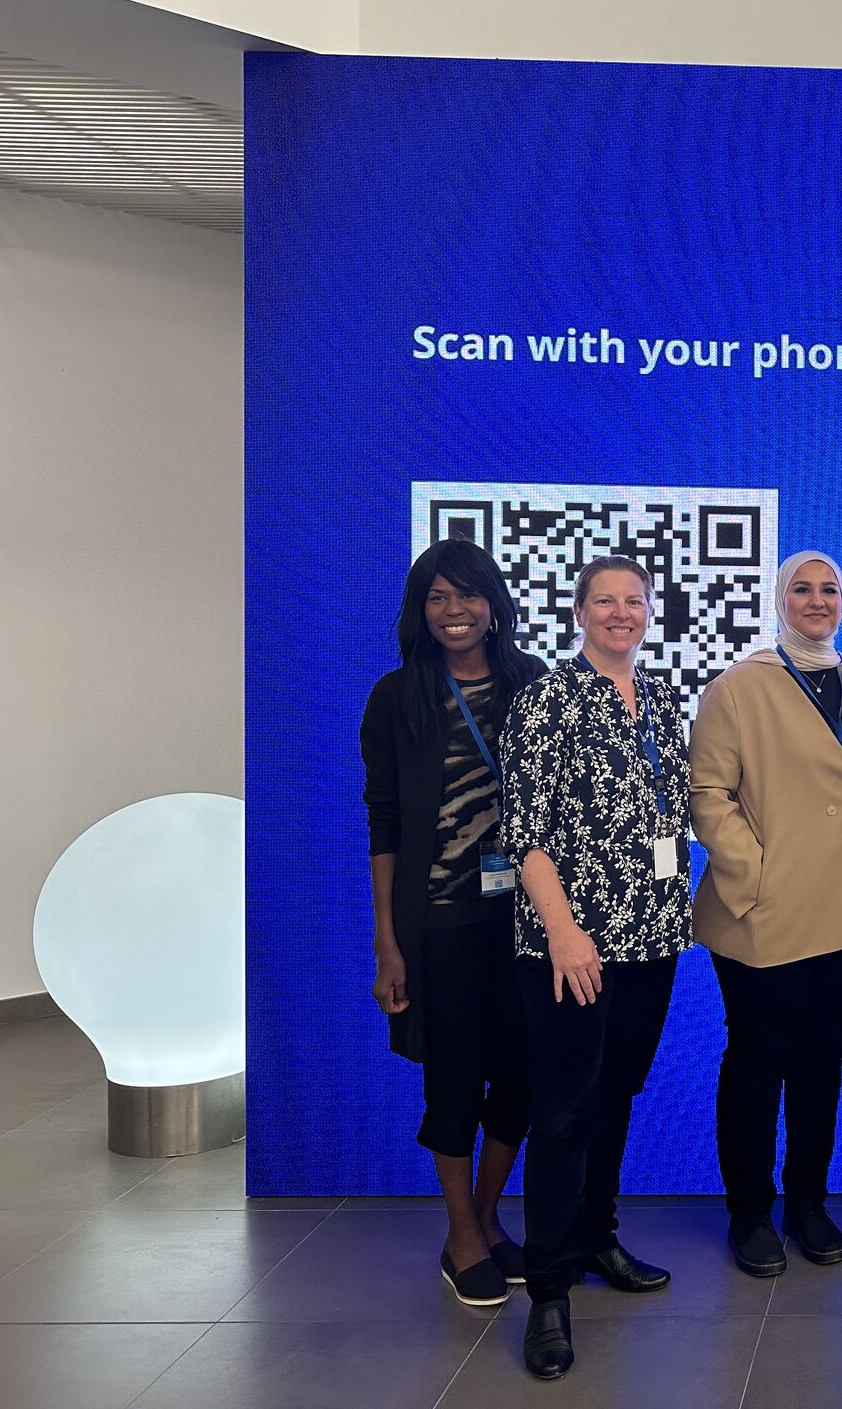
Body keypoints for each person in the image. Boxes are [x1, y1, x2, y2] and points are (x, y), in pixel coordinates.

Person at [499, 555, 693, 1380]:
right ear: (579, 612)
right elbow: (526, 832)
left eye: (634, 602)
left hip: (651, 938)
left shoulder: (661, 700)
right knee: (566, 1111)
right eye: (605, 601)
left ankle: (596, 1242)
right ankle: (549, 1292)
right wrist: (566, 933)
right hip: (572, 948)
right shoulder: (547, 699)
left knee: (616, 1096)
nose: (622, 614)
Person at [361, 538, 546, 1306]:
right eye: (437, 598)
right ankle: (461, 1237)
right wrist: (387, 940)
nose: (454, 611)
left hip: (529, 921)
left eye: (467, 595)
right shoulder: (397, 697)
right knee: (455, 1081)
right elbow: (386, 822)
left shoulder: (532, 684)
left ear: (494, 603)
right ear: (420, 610)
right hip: (439, 923)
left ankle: (486, 1218)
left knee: (525, 1079)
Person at [691, 551, 842, 1278]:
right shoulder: (739, 686)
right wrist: (756, 872)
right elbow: (707, 794)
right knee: (756, 1058)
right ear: (779, 600)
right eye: (801, 589)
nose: (816, 600)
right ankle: (749, 1212)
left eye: (829, 588)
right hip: (763, 909)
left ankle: (808, 1202)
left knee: (820, 1060)